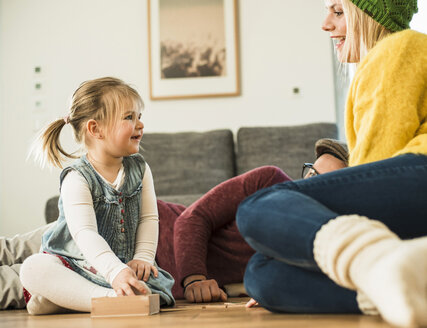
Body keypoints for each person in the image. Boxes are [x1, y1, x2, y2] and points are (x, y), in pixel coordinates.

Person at [236, 0, 427, 327]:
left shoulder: (399, 47)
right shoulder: (385, 59)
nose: (326, 24)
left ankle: (380, 267)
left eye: (338, 12)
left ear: (371, 17)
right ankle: (402, 284)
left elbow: (377, 162)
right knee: (263, 275)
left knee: (257, 206)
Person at [1, 139, 348, 309]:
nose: (307, 181)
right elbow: (192, 220)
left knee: (14, 287)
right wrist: (195, 276)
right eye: (309, 171)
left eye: (320, 180)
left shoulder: (321, 243)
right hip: (126, 222)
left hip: (145, 276)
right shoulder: (269, 180)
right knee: (14, 249)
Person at [19, 77, 175, 314]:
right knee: (32, 268)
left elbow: (148, 218)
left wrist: (143, 257)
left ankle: (68, 299)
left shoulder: (141, 169)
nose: (140, 125)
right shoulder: (77, 177)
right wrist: (115, 273)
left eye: (139, 117)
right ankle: (109, 298)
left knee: (153, 289)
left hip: (123, 266)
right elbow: (85, 233)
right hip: (78, 264)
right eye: (129, 117)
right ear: (95, 129)